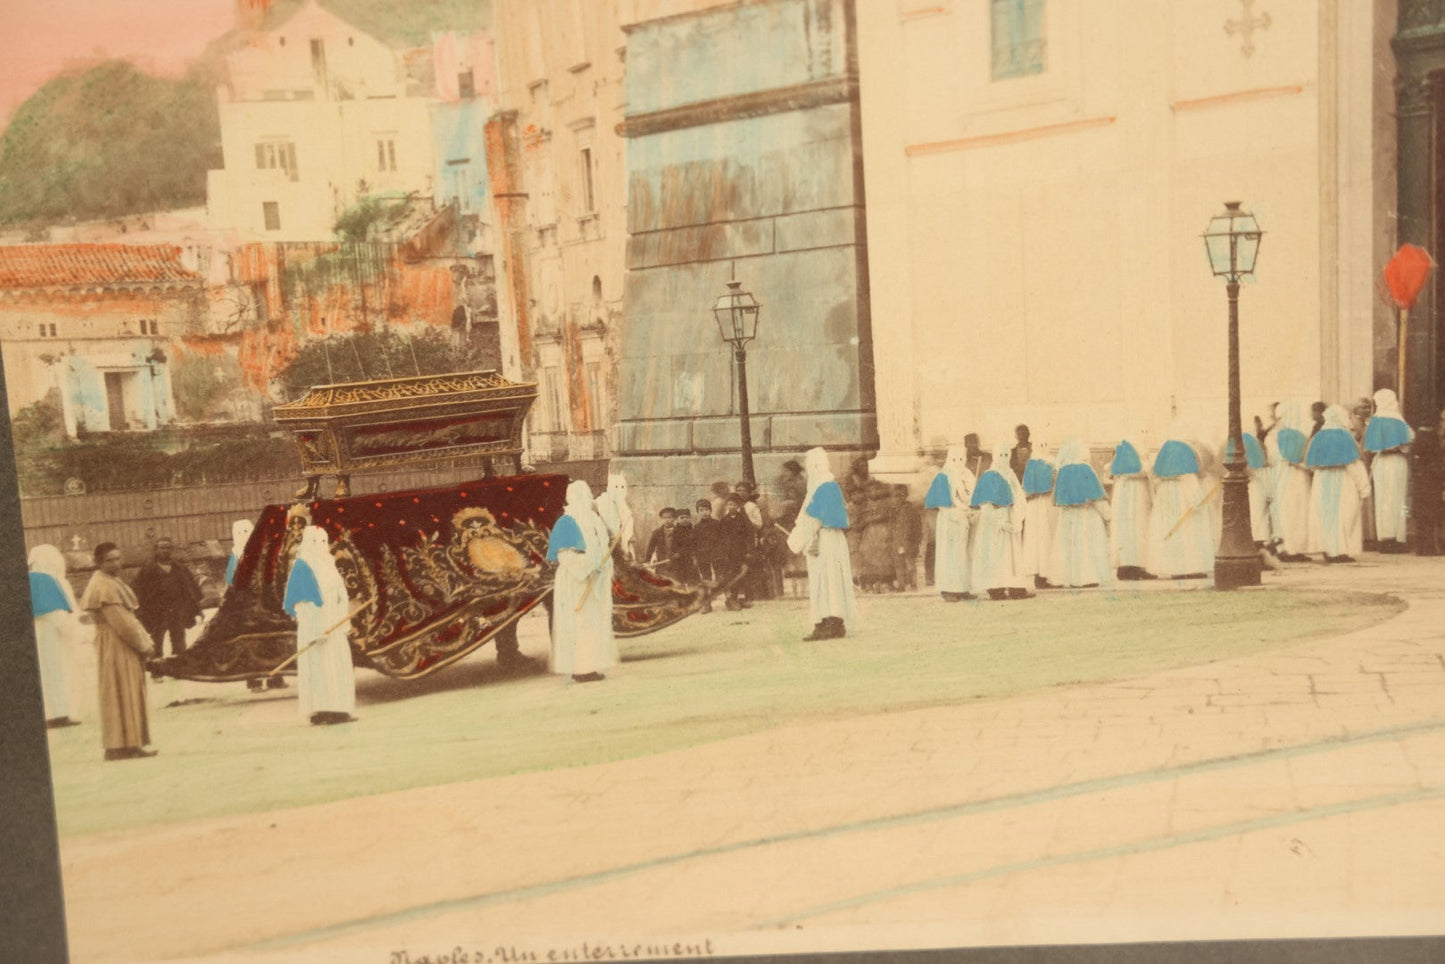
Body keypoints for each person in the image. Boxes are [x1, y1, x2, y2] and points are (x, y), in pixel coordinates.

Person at [81, 542, 156, 761]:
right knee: (122, 690)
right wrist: (144, 644)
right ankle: (121, 745)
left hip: (115, 642)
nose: (116, 563)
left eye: (117, 558)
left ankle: (126, 743)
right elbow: (123, 623)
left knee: (121, 691)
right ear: (98, 562)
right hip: (117, 643)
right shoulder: (104, 586)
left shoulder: (108, 581)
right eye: (109, 560)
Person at [283, 526, 357, 724]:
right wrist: (316, 628)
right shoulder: (302, 567)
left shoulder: (328, 565)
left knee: (337, 666)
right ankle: (320, 711)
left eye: (324, 542)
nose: (320, 546)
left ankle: (340, 709)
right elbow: (302, 602)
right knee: (319, 669)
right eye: (315, 542)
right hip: (315, 628)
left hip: (334, 626)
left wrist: (343, 620)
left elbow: (341, 595)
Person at [545, 480, 616, 682]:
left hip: (595, 578)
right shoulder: (566, 521)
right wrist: (587, 568)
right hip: (575, 581)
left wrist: (603, 566)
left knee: (592, 623)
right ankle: (580, 669)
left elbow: (603, 547)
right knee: (579, 624)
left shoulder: (594, 518)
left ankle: (590, 666)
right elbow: (565, 555)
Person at [786, 447, 856, 639]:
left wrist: (797, 541)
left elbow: (813, 519)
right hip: (832, 539)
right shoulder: (831, 485)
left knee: (824, 581)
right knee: (832, 581)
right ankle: (835, 622)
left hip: (823, 539)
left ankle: (827, 623)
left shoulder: (822, 487)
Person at [1306, 404, 1371, 563]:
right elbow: (1353, 464)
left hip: (1322, 482)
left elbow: (1312, 464)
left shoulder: (1319, 436)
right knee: (1345, 515)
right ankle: (1341, 551)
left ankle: (1328, 550)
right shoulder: (1345, 436)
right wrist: (1364, 488)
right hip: (1344, 481)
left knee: (1324, 515)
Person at [131, 537, 203, 678]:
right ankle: (157, 671)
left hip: (177, 610)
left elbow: (190, 589)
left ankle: (179, 670)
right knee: (156, 641)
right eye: (162, 547)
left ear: (172, 550)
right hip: (157, 612)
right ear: (156, 550)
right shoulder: (148, 570)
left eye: (168, 547)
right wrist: (140, 610)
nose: (165, 550)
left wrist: (196, 608)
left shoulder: (179, 568)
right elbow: (138, 591)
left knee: (179, 639)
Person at [1148, 429, 1214, 579]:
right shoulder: (1187, 476)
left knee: (1173, 539)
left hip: (1168, 513)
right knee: (1190, 538)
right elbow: (1197, 500)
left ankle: (1175, 570)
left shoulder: (1163, 481)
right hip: (1187, 515)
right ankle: (1191, 569)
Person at [29, 545, 81, 728]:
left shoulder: (32, 579)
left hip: (41, 633)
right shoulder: (44, 580)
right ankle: (58, 714)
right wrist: (75, 632)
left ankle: (52, 713)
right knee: (56, 674)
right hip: (51, 635)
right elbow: (56, 614)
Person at [971, 440, 1031, 600]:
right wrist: (1001, 523)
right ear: (995, 456)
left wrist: (1017, 517)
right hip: (995, 524)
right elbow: (986, 506)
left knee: (1012, 556)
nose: (1003, 458)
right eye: (1000, 455)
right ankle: (995, 588)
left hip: (1011, 518)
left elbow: (1019, 497)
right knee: (997, 556)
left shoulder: (1010, 474)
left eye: (1006, 455)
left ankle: (1016, 588)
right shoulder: (989, 476)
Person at [1050, 438, 1113, 588]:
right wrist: (1108, 515)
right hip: (1086, 515)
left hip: (1068, 516)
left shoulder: (1063, 471)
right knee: (1086, 546)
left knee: (1069, 548)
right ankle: (1087, 578)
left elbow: (1058, 498)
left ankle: (1070, 579)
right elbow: (1095, 495)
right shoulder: (1085, 469)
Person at [925, 445, 976, 602]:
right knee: (949, 555)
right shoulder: (943, 476)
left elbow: (972, 495)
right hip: (950, 519)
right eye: (954, 459)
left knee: (963, 555)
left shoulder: (967, 475)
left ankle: (963, 588)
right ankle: (948, 589)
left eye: (961, 459)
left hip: (964, 519)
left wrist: (968, 508)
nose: (958, 462)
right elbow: (941, 502)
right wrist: (958, 510)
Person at [1364, 388, 1413, 554]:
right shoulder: (1399, 420)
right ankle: (1398, 538)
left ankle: (1385, 538)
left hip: (1382, 464)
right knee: (1398, 498)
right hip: (1398, 463)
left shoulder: (1376, 421)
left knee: (1384, 499)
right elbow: (1409, 440)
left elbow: (1371, 447)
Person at [1272, 401, 1315, 562]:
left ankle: (1284, 547)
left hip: (1281, 475)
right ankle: (1295, 549)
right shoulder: (1299, 435)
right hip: (1297, 477)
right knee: (1298, 511)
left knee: (1284, 511)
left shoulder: (1276, 435)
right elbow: (1301, 459)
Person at [1109, 438, 1155, 581]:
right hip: (1139, 500)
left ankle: (1123, 569)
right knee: (1139, 531)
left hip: (1122, 500)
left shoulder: (1119, 469)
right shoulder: (1143, 466)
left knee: (1123, 533)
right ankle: (1139, 566)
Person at [1019, 446, 1059, 590]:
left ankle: (1046, 575)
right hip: (1041, 504)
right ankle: (1041, 576)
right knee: (1041, 539)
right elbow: (1027, 489)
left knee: (1044, 538)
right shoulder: (1039, 464)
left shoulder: (1050, 463)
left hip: (1043, 504)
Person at [714, 494, 756, 610]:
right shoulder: (724, 520)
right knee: (732, 576)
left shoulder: (743, 519)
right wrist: (723, 552)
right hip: (730, 553)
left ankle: (747, 599)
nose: (731, 506)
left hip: (742, 552)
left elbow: (750, 535)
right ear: (726, 506)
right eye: (729, 504)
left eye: (733, 504)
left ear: (738, 506)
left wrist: (749, 550)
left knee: (745, 575)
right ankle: (733, 599)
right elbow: (721, 537)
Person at [1410, 424, 1443, 556]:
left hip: (1421, 481)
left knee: (1422, 517)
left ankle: (1422, 547)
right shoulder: (1435, 453)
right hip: (1433, 483)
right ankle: (1432, 547)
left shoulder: (1418, 459)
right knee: (1433, 515)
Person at [593, 473, 636, 561]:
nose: (619, 490)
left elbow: (627, 524)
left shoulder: (624, 506)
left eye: (622, 487)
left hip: (619, 541)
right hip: (604, 540)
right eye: (616, 487)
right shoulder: (601, 501)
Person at [888, 485, 922, 591]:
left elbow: (917, 526)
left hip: (908, 541)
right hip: (897, 541)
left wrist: (916, 541)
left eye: (901, 495)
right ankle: (901, 585)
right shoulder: (892, 511)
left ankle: (913, 584)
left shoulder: (912, 510)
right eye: (896, 496)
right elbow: (890, 527)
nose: (898, 498)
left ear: (906, 496)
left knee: (910, 564)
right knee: (899, 564)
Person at [691, 498, 719, 611]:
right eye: (701, 510)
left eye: (707, 509)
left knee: (720, 577)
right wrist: (695, 557)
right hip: (703, 557)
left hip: (717, 555)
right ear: (698, 512)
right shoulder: (696, 527)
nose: (704, 512)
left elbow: (723, 540)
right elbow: (694, 543)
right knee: (706, 578)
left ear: (711, 511)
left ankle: (729, 600)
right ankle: (707, 603)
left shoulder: (717, 524)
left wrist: (721, 553)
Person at [643, 508, 681, 581]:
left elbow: (684, 545)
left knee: (675, 584)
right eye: (664, 518)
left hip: (675, 564)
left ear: (674, 518)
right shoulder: (657, 533)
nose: (666, 520)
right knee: (662, 583)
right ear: (661, 519)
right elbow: (651, 547)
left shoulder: (680, 532)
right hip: (661, 563)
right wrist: (647, 560)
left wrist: (679, 553)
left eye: (669, 517)